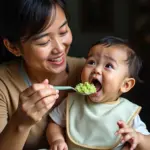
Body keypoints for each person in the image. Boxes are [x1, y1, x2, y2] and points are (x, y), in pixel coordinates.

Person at [0, 0, 85, 150]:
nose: (59, 48)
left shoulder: (89, 72)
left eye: (64, 32)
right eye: (43, 42)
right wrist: (20, 123)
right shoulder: (3, 84)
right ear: (13, 47)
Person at [47, 36, 150, 150]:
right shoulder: (72, 101)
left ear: (125, 85)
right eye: (91, 62)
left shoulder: (128, 112)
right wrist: (57, 140)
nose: (97, 69)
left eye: (109, 66)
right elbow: (54, 124)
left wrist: (139, 138)